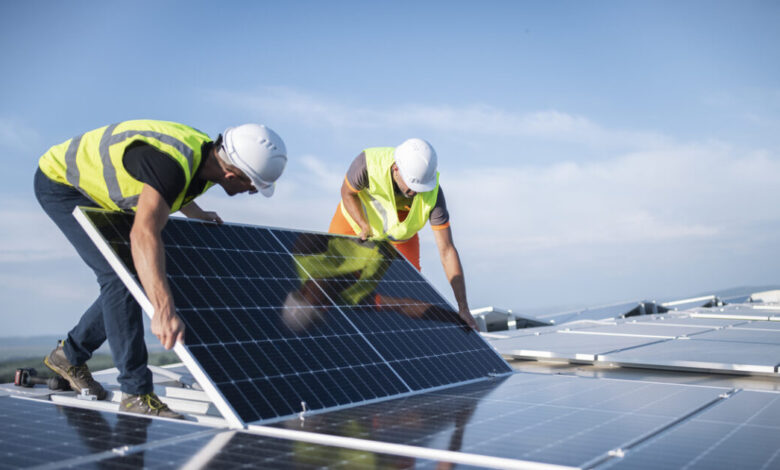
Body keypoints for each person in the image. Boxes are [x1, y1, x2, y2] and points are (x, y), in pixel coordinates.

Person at [34, 120, 287, 418]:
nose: (253, 192)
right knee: (120, 277)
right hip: (63, 184)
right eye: (253, 184)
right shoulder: (172, 164)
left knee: (142, 273)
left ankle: (70, 355)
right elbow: (143, 232)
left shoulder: (209, 157)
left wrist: (196, 212)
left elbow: (172, 187)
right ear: (232, 173)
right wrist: (163, 310)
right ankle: (136, 392)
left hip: (100, 193)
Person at [328, 138, 477, 330]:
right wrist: (363, 225)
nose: (415, 192)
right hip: (354, 225)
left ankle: (390, 338)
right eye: (411, 185)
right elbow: (347, 193)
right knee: (335, 285)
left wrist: (463, 307)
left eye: (420, 188)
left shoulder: (433, 195)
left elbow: (447, 250)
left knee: (408, 291)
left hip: (401, 235)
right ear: (396, 169)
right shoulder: (367, 163)